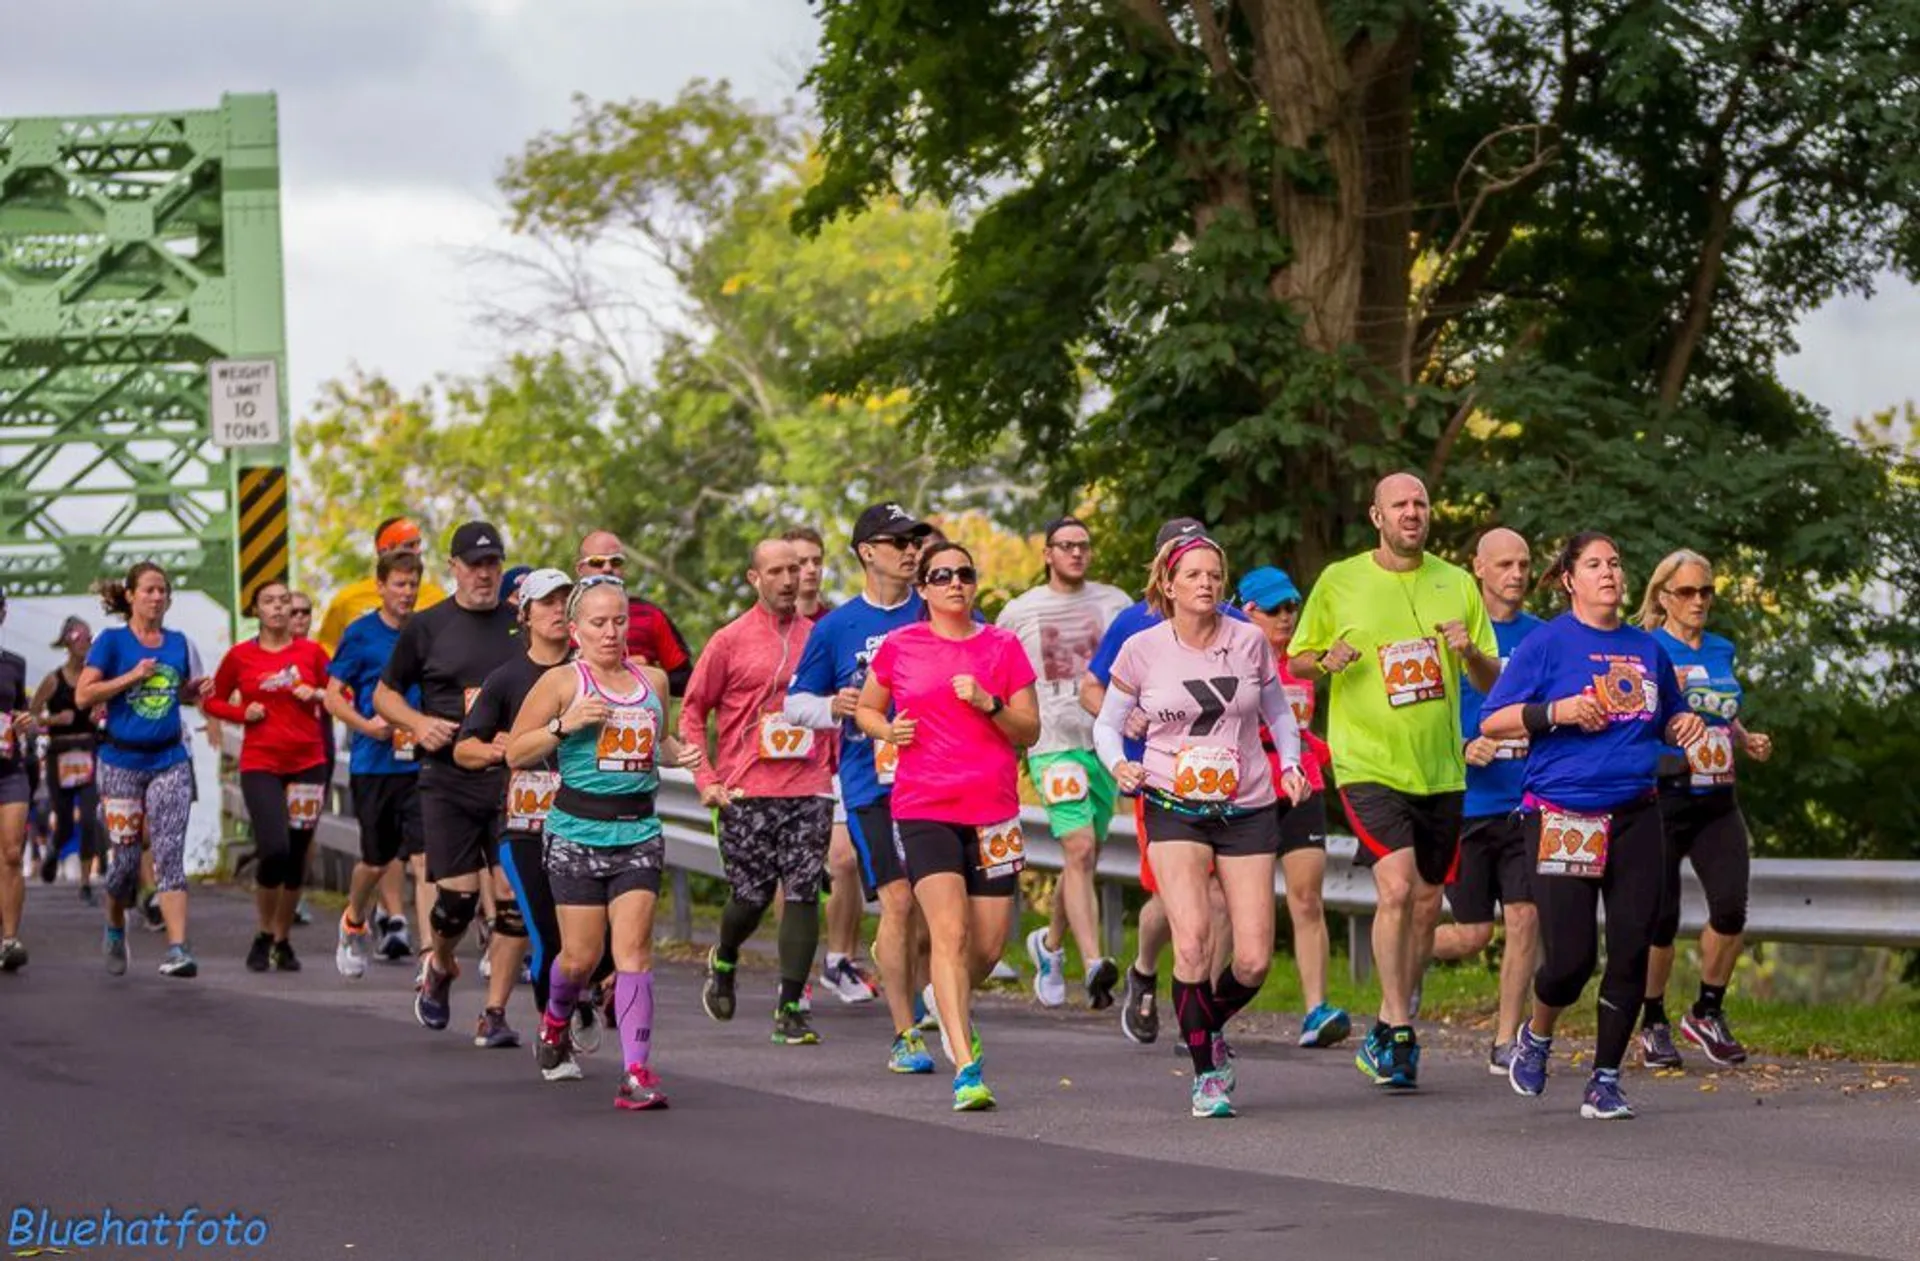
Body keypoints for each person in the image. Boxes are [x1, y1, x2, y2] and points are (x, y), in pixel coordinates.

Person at [1483, 532, 1705, 1120]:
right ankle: (1537, 1033)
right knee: (1572, 961)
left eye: (1614, 563)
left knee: (1631, 950)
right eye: (1594, 564)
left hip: (1636, 812)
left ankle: (1605, 1079)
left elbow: (1670, 713)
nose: (1608, 573)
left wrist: (1682, 725)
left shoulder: (1646, 648)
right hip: (1563, 815)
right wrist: (1556, 712)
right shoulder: (1546, 643)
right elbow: (1493, 719)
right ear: (1569, 580)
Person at [1289, 473, 1499, 1090]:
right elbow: (1297, 657)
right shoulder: (1340, 580)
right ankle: (1403, 1031)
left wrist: (1470, 652)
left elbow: (1491, 680)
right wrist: (1325, 660)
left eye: (1420, 504)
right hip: (1368, 764)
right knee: (1398, 888)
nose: (1412, 512)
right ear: (1377, 516)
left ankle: (1385, 1021)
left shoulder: (1457, 583)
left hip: (1439, 768)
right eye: (1399, 505)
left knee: (1428, 903)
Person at [1095, 531, 1310, 1118]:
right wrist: (1119, 765)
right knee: (1191, 941)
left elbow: (1279, 713)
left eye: (1214, 574)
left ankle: (1205, 1025)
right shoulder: (1142, 648)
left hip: (1247, 804)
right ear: (1168, 585)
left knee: (1254, 960)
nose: (1206, 583)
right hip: (1173, 801)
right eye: (1193, 574)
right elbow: (1106, 725)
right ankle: (1206, 1074)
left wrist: (1291, 764)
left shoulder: (1249, 640)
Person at [856, 542, 1040, 1110]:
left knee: (987, 947)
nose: (955, 582)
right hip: (925, 806)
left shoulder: (1003, 646)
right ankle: (967, 1069)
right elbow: (867, 709)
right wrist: (887, 732)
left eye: (964, 573)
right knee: (950, 933)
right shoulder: (902, 645)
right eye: (941, 575)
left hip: (994, 811)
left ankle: (944, 995)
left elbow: (1030, 730)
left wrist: (990, 704)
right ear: (924, 589)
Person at [507, 576, 704, 1108]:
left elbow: (657, 742)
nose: (611, 632)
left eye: (619, 621)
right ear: (576, 630)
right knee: (579, 958)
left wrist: (679, 754)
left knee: (634, 952)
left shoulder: (652, 680)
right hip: (576, 832)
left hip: (638, 830)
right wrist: (563, 724)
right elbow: (516, 752)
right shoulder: (561, 682)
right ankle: (554, 1023)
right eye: (598, 623)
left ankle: (636, 1073)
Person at [786, 502, 939, 1074]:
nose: (910, 551)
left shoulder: (935, 610)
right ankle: (905, 1032)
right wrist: (833, 705)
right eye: (898, 542)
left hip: (938, 777)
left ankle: (928, 993)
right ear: (867, 552)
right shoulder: (836, 627)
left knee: (934, 908)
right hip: (870, 781)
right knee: (899, 901)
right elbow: (795, 703)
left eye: (914, 541)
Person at [1080, 517, 1246, 1045]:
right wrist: (1126, 722)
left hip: (1226, 783)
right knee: (1173, 897)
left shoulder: (1234, 621)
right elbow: (1091, 690)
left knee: (1218, 898)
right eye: (1181, 554)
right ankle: (1145, 970)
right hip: (1157, 780)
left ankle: (1204, 1019)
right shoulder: (1135, 622)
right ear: (1164, 569)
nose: (1199, 574)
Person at [683, 540, 838, 1045]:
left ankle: (791, 1007)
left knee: (803, 890)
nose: (789, 580)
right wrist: (706, 779)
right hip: (745, 787)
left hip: (809, 786)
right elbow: (692, 713)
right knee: (750, 897)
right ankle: (725, 956)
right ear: (754, 578)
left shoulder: (821, 637)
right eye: (776, 571)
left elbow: (839, 705)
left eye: (795, 569)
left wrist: (835, 770)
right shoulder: (729, 640)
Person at [374, 521, 524, 1035]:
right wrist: (417, 724)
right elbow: (384, 695)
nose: (484, 574)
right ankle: (439, 964)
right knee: (456, 902)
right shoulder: (428, 626)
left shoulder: (520, 625)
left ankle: (494, 1013)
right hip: (448, 779)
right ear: (453, 568)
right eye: (474, 565)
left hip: (510, 780)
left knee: (512, 899)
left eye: (492, 564)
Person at [1636, 549, 1772, 1068]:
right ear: (1663, 597)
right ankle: (1652, 1021)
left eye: (1706, 591)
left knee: (1731, 910)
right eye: (1687, 592)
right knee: (1661, 919)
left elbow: (1720, 710)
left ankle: (1706, 1012)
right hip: (1664, 797)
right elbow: (1634, 717)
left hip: (1718, 797)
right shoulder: (1648, 648)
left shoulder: (1721, 648)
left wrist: (1744, 737)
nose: (1698, 601)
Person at [1421, 528, 1544, 1070]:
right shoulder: (1453, 633)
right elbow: (1422, 715)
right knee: (1472, 935)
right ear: (1478, 568)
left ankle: (1506, 1040)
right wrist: (1464, 746)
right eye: (1504, 565)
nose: (1516, 574)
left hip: (1526, 802)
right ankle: (1403, 949)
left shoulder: (1544, 637)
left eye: (1523, 565)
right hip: (1468, 806)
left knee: (1525, 918)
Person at [996, 516, 1130, 1009]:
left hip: (1104, 743)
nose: (1076, 553)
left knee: (1084, 858)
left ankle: (1049, 946)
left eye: (1083, 546)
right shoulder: (1020, 611)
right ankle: (1094, 963)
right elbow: (996, 671)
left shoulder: (1115, 603)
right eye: (1066, 545)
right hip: (1052, 744)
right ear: (1047, 554)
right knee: (1080, 847)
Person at [459, 568, 578, 1054]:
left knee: (590, 939)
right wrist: (497, 750)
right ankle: (556, 1033)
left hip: (584, 823)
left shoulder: (590, 672)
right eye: (547, 602)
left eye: (565, 601)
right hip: (525, 825)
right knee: (546, 933)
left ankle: (579, 997)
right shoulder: (507, 678)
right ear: (525, 615)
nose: (558, 610)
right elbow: (464, 748)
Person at [1237, 565, 1351, 1049]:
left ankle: (1315, 1010)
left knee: (1307, 899)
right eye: (1274, 609)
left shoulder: (1303, 661)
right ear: (1249, 612)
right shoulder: (1233, 657)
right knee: (1241, 906)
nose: (1286, 617)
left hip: (1303, 784)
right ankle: (1210, 1010)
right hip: (1251, 788)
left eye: (1292, 607)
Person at [77, 562, 209, 977]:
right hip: (121, 763)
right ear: (130, 595)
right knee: (125, 864)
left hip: (169, 760)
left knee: (169, 854)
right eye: (149, 590)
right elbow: (84, 695)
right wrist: (131, 676)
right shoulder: (111, 642)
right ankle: (115, 924)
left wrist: (193, 691)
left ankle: (178, 949)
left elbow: (178, 694)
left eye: (163, 590)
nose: (157, 597)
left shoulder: (179, 643)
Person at [203, 581, 332, 972]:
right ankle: (263, 931)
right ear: (256, 611)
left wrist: (317, 695)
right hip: (261, 763)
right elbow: (212, 701)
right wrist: (243, 714)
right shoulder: (241, 656)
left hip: (308, 761)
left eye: (284, 601)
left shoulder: (311, 653)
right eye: (269, 602)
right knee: (274, 848)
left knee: (297, 855)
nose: (278, 608)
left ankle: (282, 939)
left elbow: (342, 695)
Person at [783, 525, 874, 1003]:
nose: (809, 570)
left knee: (844, 858)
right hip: (782, 764)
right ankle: (792, 969)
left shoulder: (839, 624)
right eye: (799, 563)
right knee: (792, 872)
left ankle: (839, 960)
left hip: (836, 760)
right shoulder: (761, 628)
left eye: (816, 561)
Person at [327, 551, 427, 975]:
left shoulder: (426, 630)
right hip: (375, 763)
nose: (407, 592)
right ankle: (353, 919)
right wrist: (367, 726)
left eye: (413, 584)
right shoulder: (361, 634)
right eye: (399, 584)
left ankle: (430, 956)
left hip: (421, 764)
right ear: (381, 586)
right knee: (376, 860)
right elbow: (333, 696)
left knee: (425, 858)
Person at [31, 617, 105, 908]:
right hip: (59, 754)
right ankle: (53, 851)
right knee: (63, 821)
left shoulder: (95, 678)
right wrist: (53, 720)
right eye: (79, 638)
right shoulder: (53, 680)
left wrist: (100, 714)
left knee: (88, 818)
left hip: (88, 750)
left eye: (89, 638)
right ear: (67, 642)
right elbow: (31, 716)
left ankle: (85, 882)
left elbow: (107, 707)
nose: (84, 643)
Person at [574, 531, 695, 696]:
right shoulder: (559, 614)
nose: (607, 568)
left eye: (616, 561)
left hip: (639, 709)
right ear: (580, 569)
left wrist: (646, 673)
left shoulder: (649, 614)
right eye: (597, 562)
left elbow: (686, 681)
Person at [315, 517, 447, 654]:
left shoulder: (436, 597)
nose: (418, 551)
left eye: (418, 544)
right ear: (384, 552)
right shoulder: (348, 599)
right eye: (409, 545)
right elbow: (326, 649)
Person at [0, 588, 31, 971]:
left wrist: (25, 721)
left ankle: (10, 940)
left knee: (11, 852)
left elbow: (21, 711)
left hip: (10, 769)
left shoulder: (14, 664)